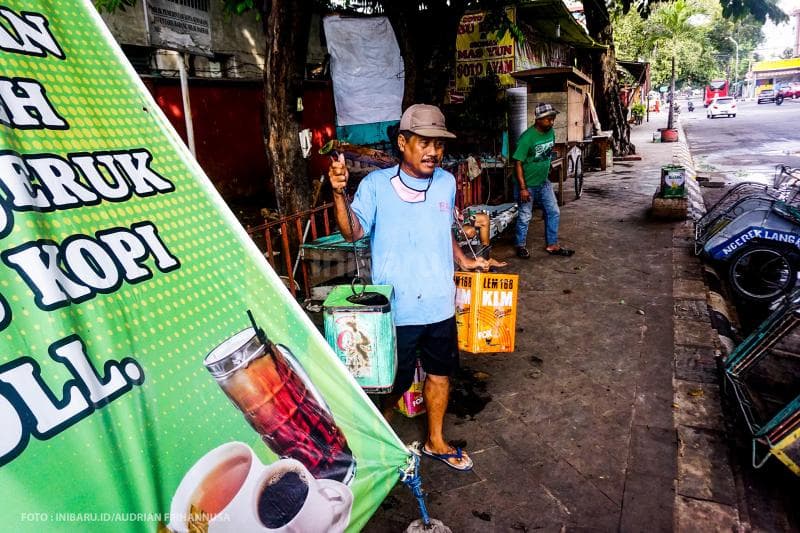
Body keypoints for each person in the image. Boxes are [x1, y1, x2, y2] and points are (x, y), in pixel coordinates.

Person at [328, 104, 506, 472]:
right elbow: (353, 232)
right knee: (391, 384)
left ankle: (435, 441)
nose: (433, 152)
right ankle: (374, 448)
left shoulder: (445, 182)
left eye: (438, 144)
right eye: (424, 142)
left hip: (440, 303)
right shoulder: (375, 186)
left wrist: (464, 259)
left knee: (441, 375)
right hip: (398, 309)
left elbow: (442, 229)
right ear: (403, 142)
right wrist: (337, 192)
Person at [512, 102, 574, 258]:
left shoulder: (550, 132)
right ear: (538, 119)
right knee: (525, 215)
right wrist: (523, 188)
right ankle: (520, 245)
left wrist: (547, 166)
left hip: (543, 181)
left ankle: (552, 245)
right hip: (527, 184)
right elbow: (517, 163)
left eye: (552, 118)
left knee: (553, 211)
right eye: (548, 119)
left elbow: (548, 150)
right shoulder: (527, 138)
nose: (551, 122)